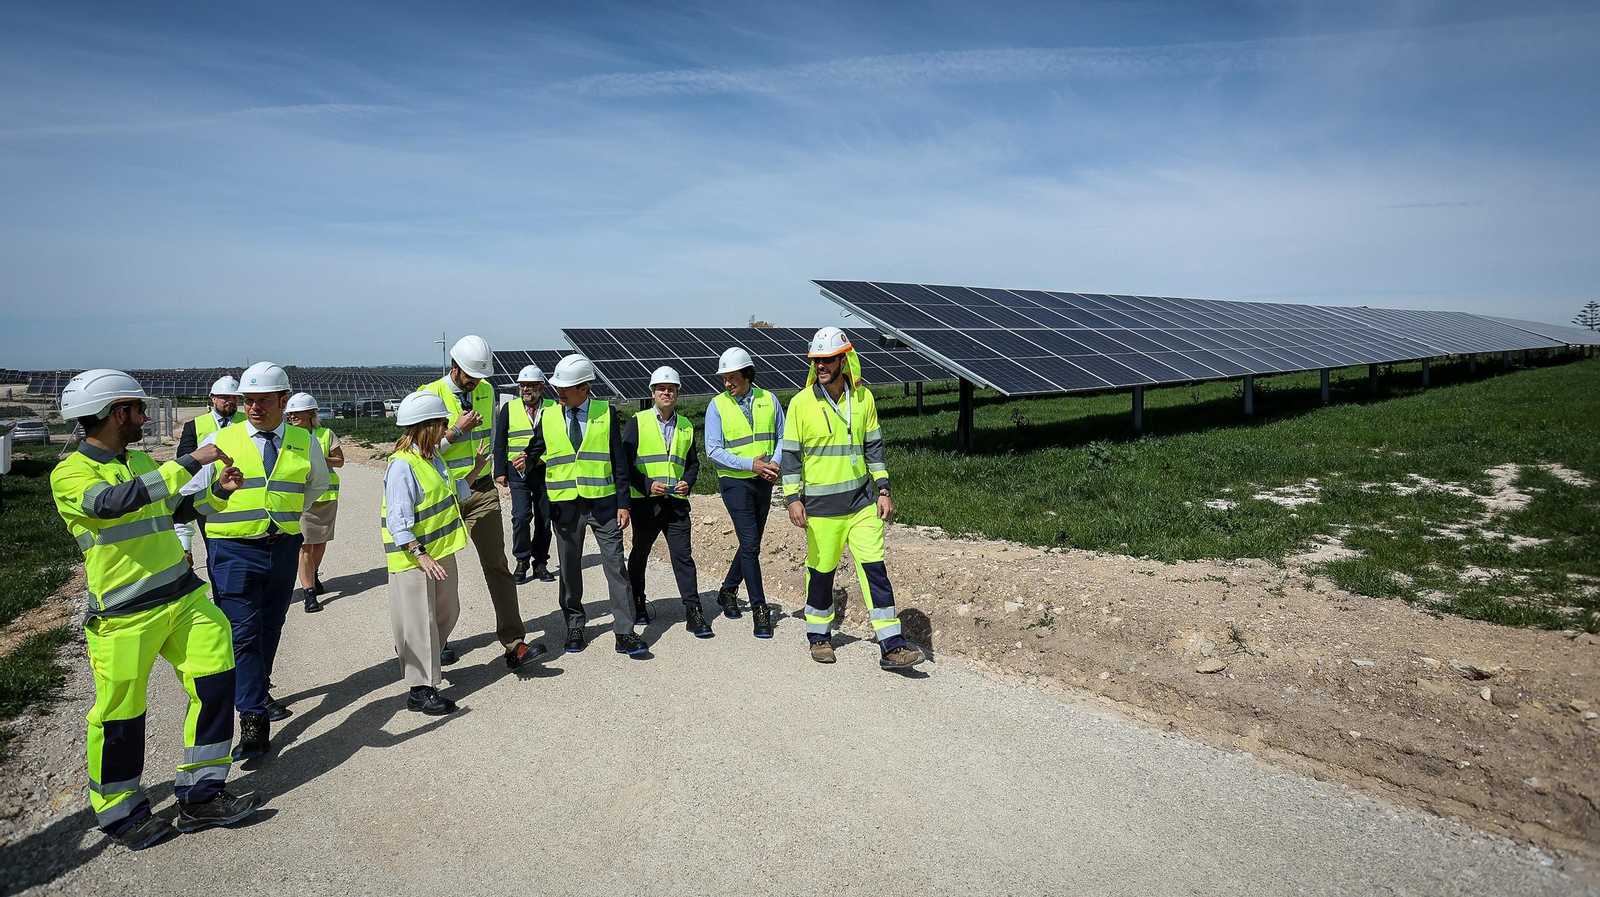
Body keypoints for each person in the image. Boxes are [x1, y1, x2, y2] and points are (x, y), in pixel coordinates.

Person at [50, 370, 259, 850]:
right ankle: (121, 815)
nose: (145, 416)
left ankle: (201, 795)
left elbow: (172, 510)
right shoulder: (70, 473)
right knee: (120, 715)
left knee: (214, 681)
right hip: (124, 615)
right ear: (116, 412)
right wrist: (189, 460)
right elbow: (112, 505)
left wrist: (217, 492)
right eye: (139, 409)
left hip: (181, 599)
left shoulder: (140, 459)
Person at [181, 361, 329, 759]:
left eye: (263, 400)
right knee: (242, 634)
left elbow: (315, 484)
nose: (254, 408)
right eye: (248, 401)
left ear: (284, 400)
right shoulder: (220, 439)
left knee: (271, 625)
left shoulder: (303, 440)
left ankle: (257, 690)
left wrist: (282, 515)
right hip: (233, 551)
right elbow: (192, 495)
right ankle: (252, 716)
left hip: (282, 547)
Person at [781, 328, 926, 670]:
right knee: (821, 572)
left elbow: (873, 447)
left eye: (827, 359)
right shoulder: (801, 403)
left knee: (875, 570)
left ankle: (892, 645)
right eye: (816, 361)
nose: (821, 366)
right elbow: (790, 456)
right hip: (820, 509)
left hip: (862, 504)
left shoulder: (864, 399)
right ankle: (819, 638)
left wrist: (884, 489)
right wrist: (792, 499)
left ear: (843, 359)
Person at [417, 335, 542, 670]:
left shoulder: (486, 392)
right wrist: (454, 432)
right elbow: (418, 453)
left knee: (497, 565)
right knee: (436, 573)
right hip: (441, 496)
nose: (475, 384)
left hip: (480, 490)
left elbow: (492, 439)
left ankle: (514, 642)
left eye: (480, 377)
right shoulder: (429, 396)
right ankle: (436, 643)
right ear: (454, 367)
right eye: (470, 377)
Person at [525, 354, 650, 658]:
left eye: (566, 387)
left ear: (584, 387)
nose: (559, 392)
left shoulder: (604, 414)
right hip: (565, 508)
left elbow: (619, 462)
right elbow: (535, 451)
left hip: (605, 506)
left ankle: (624, 632)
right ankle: (575, 625)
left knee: (616, 567)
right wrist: (525, 461)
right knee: (569, 570)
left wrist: (624, 504)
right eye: (558, 386)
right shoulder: (550, 415)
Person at [382, 392, 488, 715]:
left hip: (439, 552)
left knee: (448, 611)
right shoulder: (402, 466)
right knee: (419, 621)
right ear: (425, 426)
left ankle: (418, 654)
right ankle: (420, 689)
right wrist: (419, 553)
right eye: (442, 423)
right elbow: (398, 520)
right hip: (414, 558)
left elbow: (454, 493)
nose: (446, 428)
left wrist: (477, 469)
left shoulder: (432, 459)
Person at [623, 367, 709, 637]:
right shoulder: (637, 421)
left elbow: (693, 463)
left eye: (671, 388)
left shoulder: (685, 425)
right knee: (640, 555)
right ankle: (637, 603)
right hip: (646, 504)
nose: (666, 392)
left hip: (676, 503)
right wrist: (648, 485)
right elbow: (625, 464)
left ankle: (693, 612)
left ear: (678, 393)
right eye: (661, 388)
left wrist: (688, 481)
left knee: (683, 557)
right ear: (653, 393)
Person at [704, 346, 783, 638]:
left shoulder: (770, 400)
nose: (727, 383)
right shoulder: (717, 406)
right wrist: (751, 465)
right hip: (734, 481)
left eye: (732, 377)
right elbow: (712, 449)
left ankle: (728, 590)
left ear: (747, 375)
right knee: (751, 543)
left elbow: (783, 435)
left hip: (764, 479)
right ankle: (760, 608)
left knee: (751, 542)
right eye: (724, 378)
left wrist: (774, 462)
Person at [492, 365, 555, 584]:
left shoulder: (553, 408)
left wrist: (541, 459)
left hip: (544, 470)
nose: (526, 389)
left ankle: (540, 563)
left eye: (530, 385)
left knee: (544, 520)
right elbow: (500, 441)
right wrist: (500, 470)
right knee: (520, 517)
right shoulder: (509, 408)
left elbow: (558, 442)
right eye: (523, 386)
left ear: (541, 387)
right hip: (517, 471)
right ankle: (521, 560)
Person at [176, 375, 244, 573]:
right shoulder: (195, 425)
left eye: (234, 397)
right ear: (213, 398)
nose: (230, 401)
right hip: (205, 494)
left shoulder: (247, 423)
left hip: (239, 493)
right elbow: (184, 458)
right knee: (214, 550)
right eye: (224, 397)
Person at [285, 392, 343, 613]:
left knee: (320, 543)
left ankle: (312, 573)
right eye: (290, 414)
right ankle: (309, 593)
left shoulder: (326, 434)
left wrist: (319, 457)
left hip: (326, 499)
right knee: (304, 546)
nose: (292, 417)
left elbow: (340, 461)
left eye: (296, 413)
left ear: (311, 413)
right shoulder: (287, 436)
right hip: (301, 499)